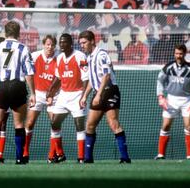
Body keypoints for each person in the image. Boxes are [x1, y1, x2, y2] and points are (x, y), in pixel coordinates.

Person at [0, 21, 36, 165]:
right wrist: (33, 93)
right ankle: (19, 157)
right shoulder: (23, 48)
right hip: (17, 85)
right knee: (18, 123)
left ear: (5, 33)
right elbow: (29, 73)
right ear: (19, 33)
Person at [79, 30, 131, 163]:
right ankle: (88, 159)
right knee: (90, 125)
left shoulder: (101, 54)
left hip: (109, 91)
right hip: (99, 92)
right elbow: (92, 79)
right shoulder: (89, 57)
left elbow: (106, 76)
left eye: (84, 42)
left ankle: (125, 158)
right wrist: (85, 96)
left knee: (113, 123)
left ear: (92, 41)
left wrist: (99, 95)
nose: (82, 45)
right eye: (80, 43)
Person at [155, 44, 190, 160]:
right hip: (171, 99)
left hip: (187, 100)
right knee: (165, 126)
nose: (178, 56)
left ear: (185, 54)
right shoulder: (168, 67)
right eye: (176, 53)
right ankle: (161, 155)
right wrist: (161, 97)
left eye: (180, 54)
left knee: (188, 126)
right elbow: (160, 81)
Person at [46, 33, 88, 163]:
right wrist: (51, 90)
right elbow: (58, 77)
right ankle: (60, 154)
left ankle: (81, 157)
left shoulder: (80, 56)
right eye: (61, 42)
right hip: (63, 95)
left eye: (64, 42)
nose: (62, 45)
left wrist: (83, 96)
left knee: (79, 126)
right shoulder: (59, 58)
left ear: (70, 43)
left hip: (77, 94)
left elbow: (86, 78)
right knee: (54, 123)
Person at [23, 35, 57, 163]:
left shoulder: (58, 58)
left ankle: (52, 155)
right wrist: (32, 93)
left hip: (53, 95)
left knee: (55, 123)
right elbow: (28, 73)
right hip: (37, 93)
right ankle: (24, 152)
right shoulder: (35, 55)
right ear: (43, 44)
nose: (50, 47)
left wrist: (52, 94)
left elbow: (59, 79)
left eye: (52, 44)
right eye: (48, 44)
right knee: (29, 122)